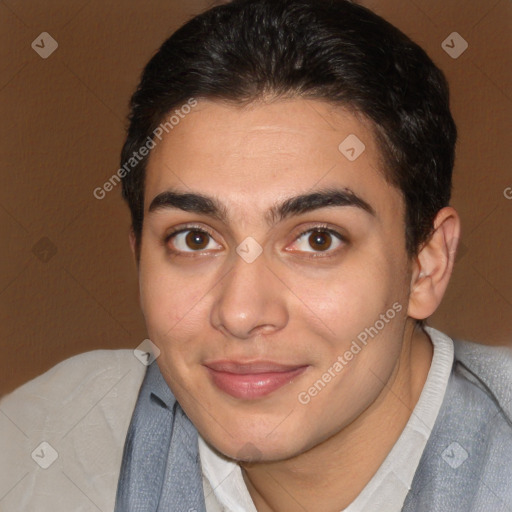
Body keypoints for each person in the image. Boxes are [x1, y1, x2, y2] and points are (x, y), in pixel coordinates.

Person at [1, 0, 511, 511]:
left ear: (427, 263)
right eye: (194, 239)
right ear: (139, 255)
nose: (242, 313)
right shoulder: (43, 451)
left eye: (317, 239)